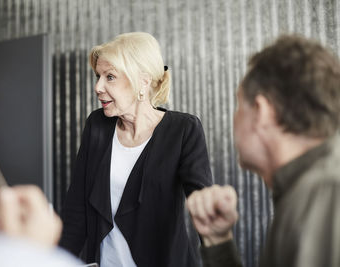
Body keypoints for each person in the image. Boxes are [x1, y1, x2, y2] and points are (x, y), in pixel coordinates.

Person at [59, 32, 212, 267]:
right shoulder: (97, 125)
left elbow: (206, 212)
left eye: (109, 76)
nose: (97, 87)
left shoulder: (184, 130)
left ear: (143, 80)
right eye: (98, 76)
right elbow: (76, 210)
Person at [187, 35, 340, 267]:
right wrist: (218, 240)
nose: (234, 119)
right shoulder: (309, 190)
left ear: (262, 112)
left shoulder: (325, 193)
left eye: (239, 105)